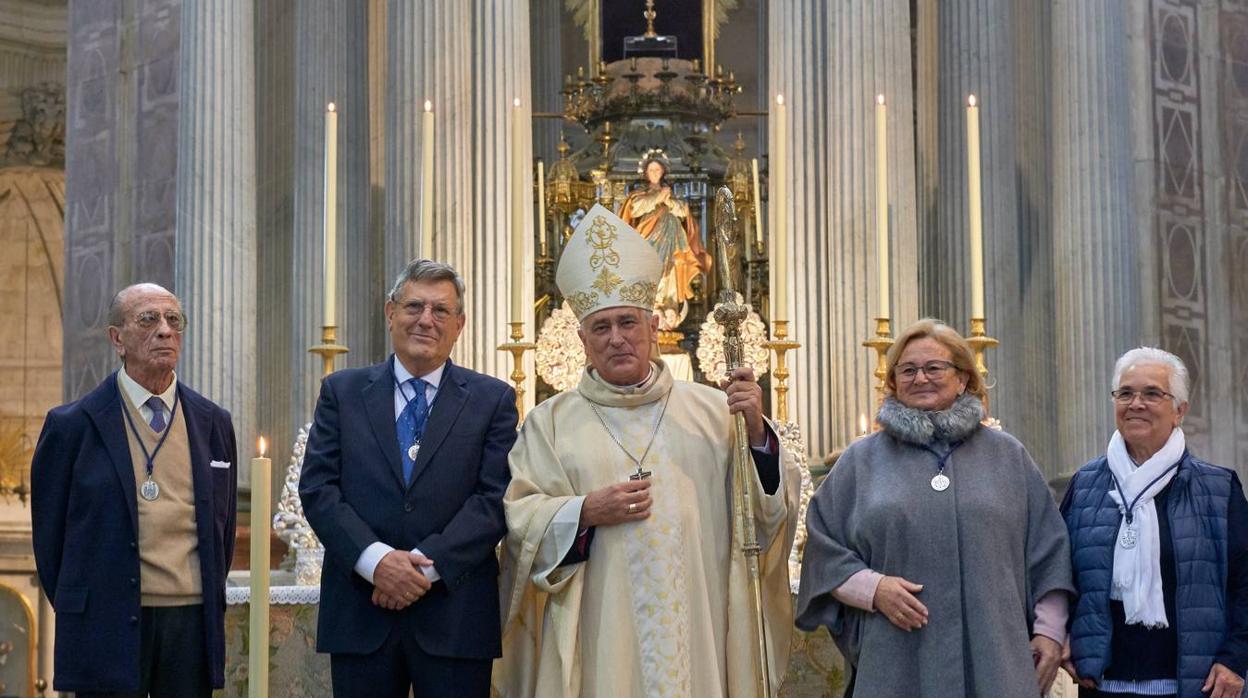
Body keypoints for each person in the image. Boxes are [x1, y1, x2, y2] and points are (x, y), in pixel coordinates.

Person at [495, 204, 800, 697]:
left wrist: (758, 437)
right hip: (598, 635)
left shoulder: (714, 412)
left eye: (628, 323)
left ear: (653, 326)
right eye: (601, 327)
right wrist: (584, 512)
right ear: (581, 339)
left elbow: (764, 521)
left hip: (702, 631)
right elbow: (519, 523)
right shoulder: (548, 425)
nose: (617, 338)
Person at [795, 318, 1074, 697]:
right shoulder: (861, 461)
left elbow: (1049, 550)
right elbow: (822, 550)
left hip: (996, 660)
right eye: (907, 370)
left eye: (934, 368)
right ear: (892, 383)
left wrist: (1049, 631)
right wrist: (873, 589)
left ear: (963, 378)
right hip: (896, 658)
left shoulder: (1007, 456)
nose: (920, 378)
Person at [299, 259, 518, 698]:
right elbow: (319, 489)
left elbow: (494, 498)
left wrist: (423, 567)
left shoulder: (492, 399)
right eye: (414, 306)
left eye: (441, 311)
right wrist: (377, 562)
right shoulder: (342, 393)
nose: (426, 320)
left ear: (460, 324)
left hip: (454, 615)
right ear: (390, 313)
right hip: (363, 612)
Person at [31, 283, 238, 697]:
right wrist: (89, 603)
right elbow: (49, 542)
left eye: (173, 320)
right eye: (148, 319)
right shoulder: (72, 426)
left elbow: (225, 527)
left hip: (189, 626)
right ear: (117, 338)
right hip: (105, 623)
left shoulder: (212, 422)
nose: (165, 330)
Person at [1060, 347, 1247, 698]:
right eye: (1125, 393)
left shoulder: (1218, 488)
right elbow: (1056, 572)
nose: (1136, 403)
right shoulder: (1086, 485)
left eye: (1152, 394)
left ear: (1180, 411)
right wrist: (1063, 635)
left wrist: (1236, 658)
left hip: (1196, 686)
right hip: (1103, 686)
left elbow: (1245, 582)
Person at [618, 154, 712, 312]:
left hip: (672, 241)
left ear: (663, 172)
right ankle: (649, 306)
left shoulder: (672, 196)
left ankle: (669, 307)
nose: (655, 172)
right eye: (651, 169)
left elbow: (683, 211)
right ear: (646, 173)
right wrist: (658, 197)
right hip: (648, 237)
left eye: (657, 169)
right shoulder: (639, 196)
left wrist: (667, 200)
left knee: (671, 270)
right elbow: (634, 210)